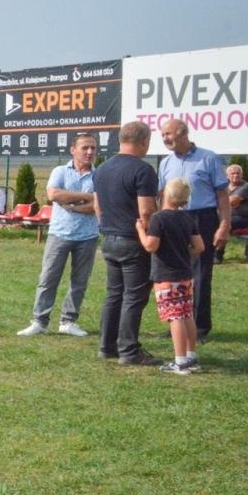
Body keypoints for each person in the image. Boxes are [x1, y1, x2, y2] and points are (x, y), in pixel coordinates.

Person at [16, 133, 98, 337]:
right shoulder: (60, 171)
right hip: (59, 234)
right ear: (73, 150)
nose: (89, 152)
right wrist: (87, 197)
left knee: (79, 281)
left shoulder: (99, 175)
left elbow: (99, 204)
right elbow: (53, 195)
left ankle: (68, 321)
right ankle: (39, 321)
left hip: (87, 236)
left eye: (93, 148)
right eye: (85, 148)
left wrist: (72, 204)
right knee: (48, 278)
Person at [92, 121, 159, 365]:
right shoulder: (143, 170)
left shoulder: (102, 168)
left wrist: (107, 228)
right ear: (144, 141)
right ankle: (130, 351)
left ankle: (107, 346)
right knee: (134, 297)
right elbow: (147, 211)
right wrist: (152, 236)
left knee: (114, 295)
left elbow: (98, 206)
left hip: (109, 239)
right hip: (133, 241)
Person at [156, 119, 230, 342]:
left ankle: (199, 328)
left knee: (200, 274)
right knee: (174, 273)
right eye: (163, 135)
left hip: (202, 217)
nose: (165, 139)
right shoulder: (165, 163)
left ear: (183, 133)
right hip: (174, 218)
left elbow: (223, 196)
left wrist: (224, 224)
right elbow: (161, 196)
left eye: (168, 134)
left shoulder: (209, 158)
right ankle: (176, 323)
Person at [138, 178, 204, 375]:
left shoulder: (159, 219)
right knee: (186, 314)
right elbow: (199, 246)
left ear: (164, 194)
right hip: (185, 273)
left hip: (166, 275)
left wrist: (141, 230)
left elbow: (151, 246)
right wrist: (183, 253)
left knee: (174, 317)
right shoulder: (187, 218)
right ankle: (191, 355)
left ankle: (180, 361)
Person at [222, 163, 248, 262]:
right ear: (227, 176)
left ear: (242, 175)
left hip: (246, 219)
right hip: (229, 217)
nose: (235, 175)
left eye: (238, 173)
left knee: (224, 225)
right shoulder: (224, 188)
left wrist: (222, 201)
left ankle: (217, 256)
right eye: (232, 173)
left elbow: (231, 201)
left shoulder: (246, 187)